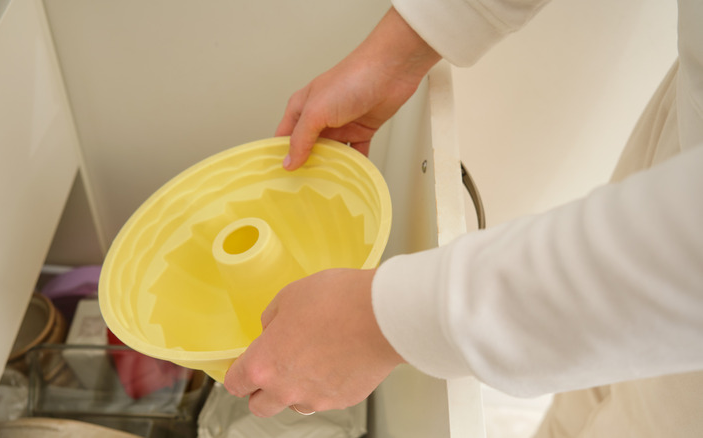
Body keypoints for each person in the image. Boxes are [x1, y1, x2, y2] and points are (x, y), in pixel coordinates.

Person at [224, 1, 703, 436]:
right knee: (580, 404)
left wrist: (375, 322)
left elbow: (682, 264)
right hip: (686, 124)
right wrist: (402, 49)